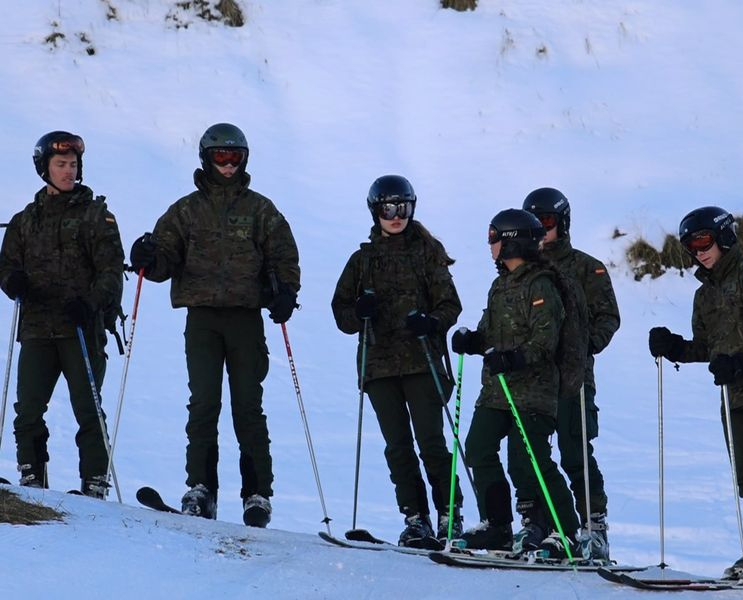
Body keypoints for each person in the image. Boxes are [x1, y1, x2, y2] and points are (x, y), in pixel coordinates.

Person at [129, 123, 300, 528]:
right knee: (204, 402)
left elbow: (283, 255)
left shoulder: (260, 210)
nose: (227, 165)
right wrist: (148, 258)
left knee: (247, 405)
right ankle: (200, 488)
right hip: (202, 317)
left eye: (234, 157)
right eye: (220, 157)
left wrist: (285, 293)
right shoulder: (186, 210)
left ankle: (256, 493)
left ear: (244, 160)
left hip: (244, 318)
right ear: (206, 158)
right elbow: (164, 257)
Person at [648, 206, 743, 580]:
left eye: (703, 241)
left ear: (724, 235)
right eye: (690, 246)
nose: (698, 251)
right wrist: (675, 347)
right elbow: (708, 347)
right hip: (734, 395)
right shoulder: (705, 295)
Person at [331, 174, 464, 548]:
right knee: (398, 446)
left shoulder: (426, 254)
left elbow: (450, 304)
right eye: (388, 209)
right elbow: (340, 313)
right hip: (380, 367)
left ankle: (449, 513)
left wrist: (432, 322)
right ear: (376, 211)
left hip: (422, 362)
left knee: (431, 442)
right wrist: (359, 311)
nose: (395, 216)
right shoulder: (362, 261)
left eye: (402, 208)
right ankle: (415, 517)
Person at [0, 131, 124, 498]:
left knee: (87, 407)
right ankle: (32, 478)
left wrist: (91, 303)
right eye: (60, 165)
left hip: (80, 328)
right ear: (45, 168)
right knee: (28, 410)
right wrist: (13, 282)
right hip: (37, 327)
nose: (68, 171)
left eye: (72, 165)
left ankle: (95, 481)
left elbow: (111, 271)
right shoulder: (25, 220)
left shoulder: (96, 216)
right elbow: (7, 265)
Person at [451, 208, 581, 556]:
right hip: (497, 390)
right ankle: (497, 525)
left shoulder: (541, 285)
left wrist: (512, 358)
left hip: (532, 391)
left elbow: (545, 341)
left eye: (494, 237)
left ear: (512, 242)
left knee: (530, 460)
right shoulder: (500, 285)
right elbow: (489, 335)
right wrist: (470, 341)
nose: (489, 244)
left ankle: (566, 531)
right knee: (478, 447)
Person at [523, 187, 620, 559]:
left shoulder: (585, 267)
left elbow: (608, 316)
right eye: (533, 223)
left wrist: (582, 345)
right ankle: (541, 523)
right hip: (532, 379)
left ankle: (593, 525)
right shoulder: (523, 270)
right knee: (531, 453)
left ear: (562, 223)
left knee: (574, 449)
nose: (541, 230)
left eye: (546, 222)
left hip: (572, 377)